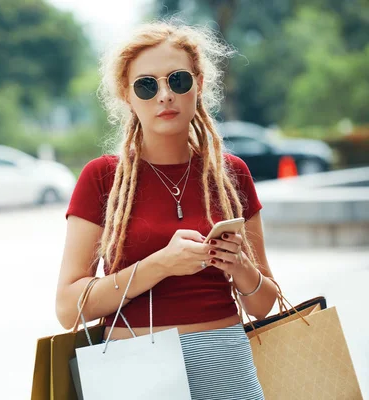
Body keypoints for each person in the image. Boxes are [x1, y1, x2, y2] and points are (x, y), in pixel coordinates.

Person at [55, 18, 278, 399]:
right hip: (136, 372)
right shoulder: (102, 178)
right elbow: (68, 309)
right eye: (147, 85)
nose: (164, 95)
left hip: (227, 367)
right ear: (127, 95)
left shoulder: (231, 174)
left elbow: (264, 304)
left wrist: (239, 265)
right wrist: (161, 265)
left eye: (177, 80)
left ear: (199, 85)